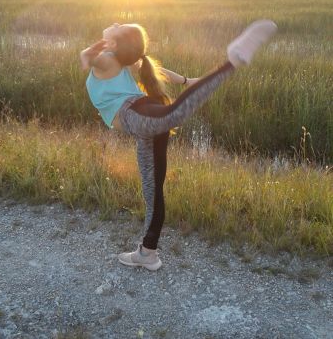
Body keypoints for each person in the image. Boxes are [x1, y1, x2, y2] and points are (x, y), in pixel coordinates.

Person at [80, 20, 277, 271]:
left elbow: (89, 57)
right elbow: (155, 68)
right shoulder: (119, 59)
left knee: (174, 114)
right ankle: (148, 254)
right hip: (145, 125)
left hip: (137, 115)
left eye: (118, 27)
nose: (115, 22)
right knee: (153, 192)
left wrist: (95, 48)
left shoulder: (107, 59)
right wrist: (186, 80)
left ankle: (232, 63)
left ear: (113, 43)